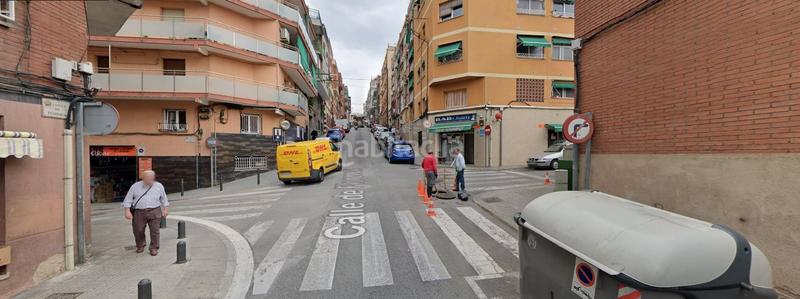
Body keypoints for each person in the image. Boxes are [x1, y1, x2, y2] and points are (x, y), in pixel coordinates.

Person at [122, 170, 169, 256]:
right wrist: (127, 211)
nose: (150, 180)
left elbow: (164, 198)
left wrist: (165, 209)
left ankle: (154, 247)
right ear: (143, 178)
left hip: (155, 210)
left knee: (155, 230)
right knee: (138, 230)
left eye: (152, 178)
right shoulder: (135, 186)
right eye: (148, 178)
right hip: (139, 211)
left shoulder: (159, 186)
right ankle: (140, 245)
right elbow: (128, 199)